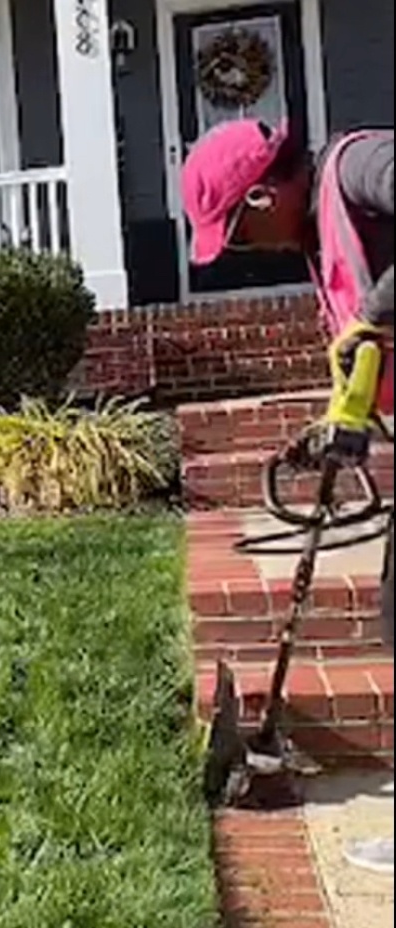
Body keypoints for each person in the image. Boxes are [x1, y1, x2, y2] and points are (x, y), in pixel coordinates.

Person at [182, 119, 393, 875]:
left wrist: (377, 311)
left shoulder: (359, 166)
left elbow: (374, 318)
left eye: (236, 233)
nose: (244, 251)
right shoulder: (317, 233)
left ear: (264, 193)